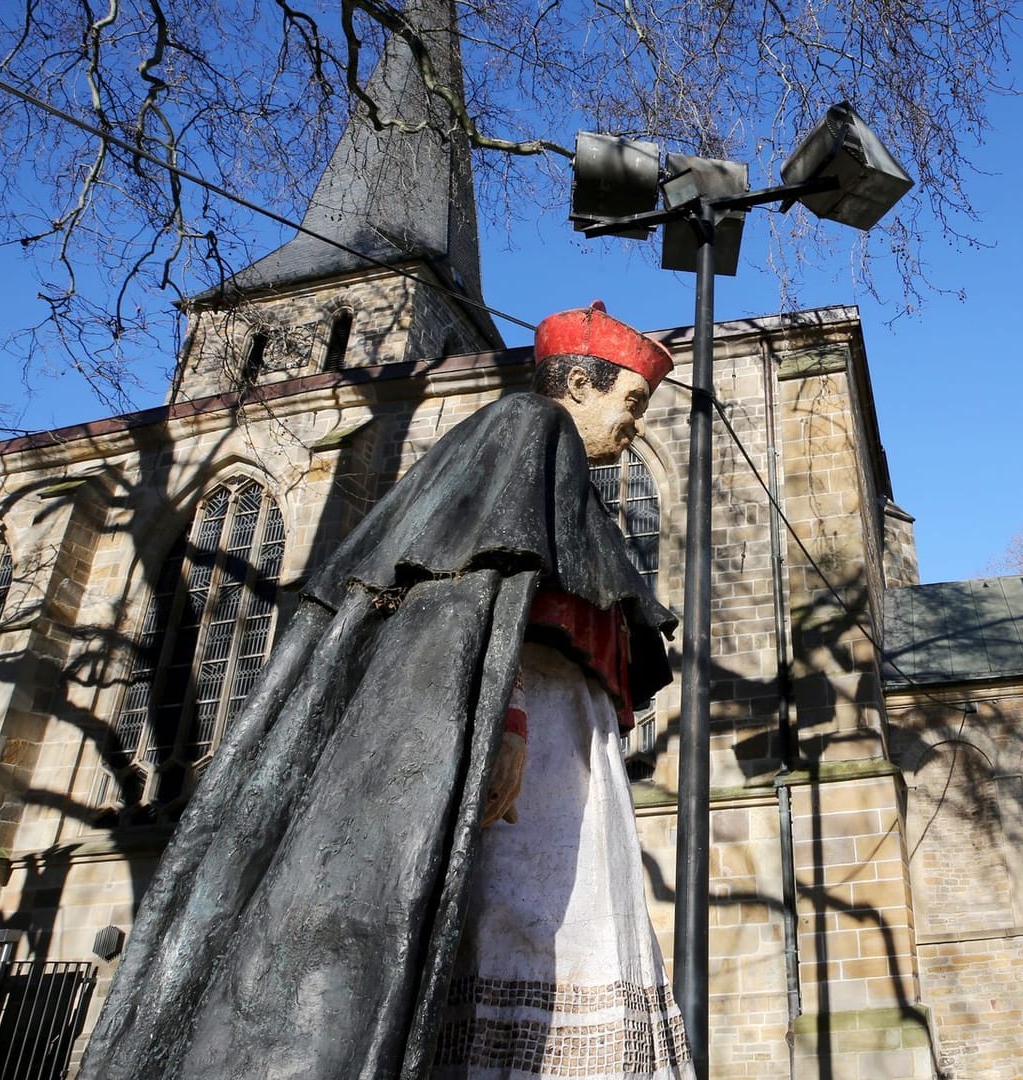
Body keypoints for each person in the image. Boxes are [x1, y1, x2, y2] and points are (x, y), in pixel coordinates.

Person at [78, 303, 692, 1079]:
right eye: (630, 402)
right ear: (577, 379)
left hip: (566, 737)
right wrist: (503, 721)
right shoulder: (527, 429)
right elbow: (487, 592)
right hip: (530, 732)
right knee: (525, 919)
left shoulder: (549, 455)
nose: (634, 425)